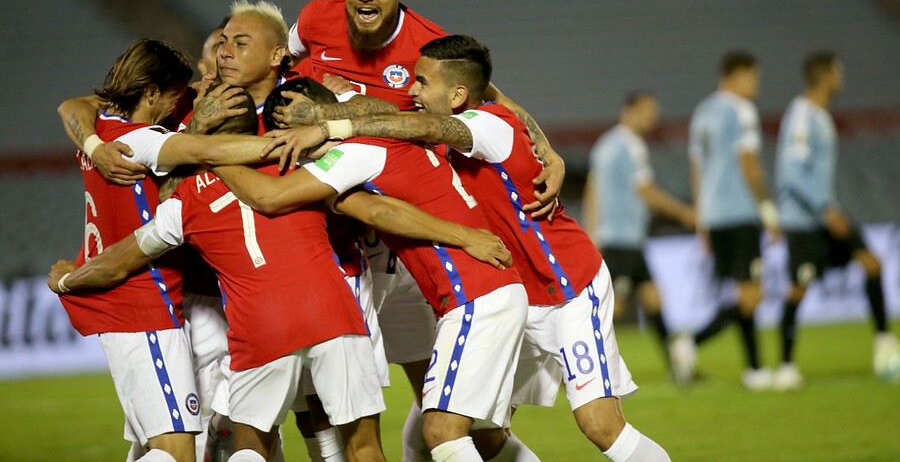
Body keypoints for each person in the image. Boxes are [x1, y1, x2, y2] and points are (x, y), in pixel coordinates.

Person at [266, 35, 672, 462]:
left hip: (566, 288)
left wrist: (331, 124)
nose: (411, 91)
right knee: (475, 432)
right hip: (511, 289)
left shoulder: (489, 125)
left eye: (422, 83)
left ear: (458, 94)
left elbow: (428, 124)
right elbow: (408, 122)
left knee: (599, 425)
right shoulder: (437, 138)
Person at [49, 91, 513, 462]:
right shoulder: (299, 170)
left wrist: (67, 281)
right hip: (335, 315)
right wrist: (464, 235)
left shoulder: (183, 201)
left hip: (261, 329)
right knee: (364, 446)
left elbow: (119, 261)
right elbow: (377, 208)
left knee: (251, 445)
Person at [281, 0, 565, 461]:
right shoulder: (317, 18)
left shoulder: (427, 47)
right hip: (338, 232)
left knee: (448, 415)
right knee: (327, 392)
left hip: (403, 236)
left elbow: (492, 99)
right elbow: (279, 64)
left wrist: (548, 150)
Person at [55, 39, 292, 462]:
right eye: (174, 94)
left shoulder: (101, 131)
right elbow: (210, 150)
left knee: (154, 444)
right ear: (151, 94)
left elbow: (72, 105)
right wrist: (291, 142)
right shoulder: (139, 143)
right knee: (177, 450)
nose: (180, 102)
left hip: (127, 304)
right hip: (141, 304)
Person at [774, 51, 899, 389]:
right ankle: (786, 367)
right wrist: (826, 208)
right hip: (806, 220)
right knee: (799, 288)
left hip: (825, 214)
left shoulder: (818, 115)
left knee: (871, 263)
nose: (842, 77)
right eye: (838, 71)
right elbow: (792, 172)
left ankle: (885, 346)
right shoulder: (802, 114)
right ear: (824, 75)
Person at [673, 50, 781, 390]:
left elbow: (696, 169)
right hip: (740, 213)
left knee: (745, 292)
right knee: (752, 295)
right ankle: (689, 342)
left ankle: (755, 370)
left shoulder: (702, 113)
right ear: (737, 75)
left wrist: (703, 221)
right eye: (754, 77)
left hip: (716, 217)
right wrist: (767, 209)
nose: (756, 85)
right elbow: (749, 163)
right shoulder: (741, 110)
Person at [583, 92, 696, 377]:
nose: (652, 118)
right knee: (612, 310)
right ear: (629, 111)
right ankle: (573, 369)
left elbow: (593, 189)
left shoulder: (605, 144)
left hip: (625, 239)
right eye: (647, 111)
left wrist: (591, 229)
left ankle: (677, 368)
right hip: (621, 240)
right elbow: (645, 190)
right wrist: (684, 212)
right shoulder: (631, 145)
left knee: (654, 300)